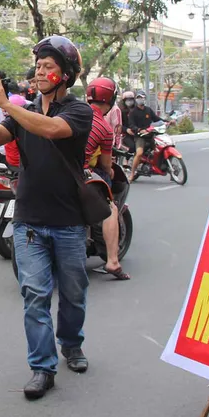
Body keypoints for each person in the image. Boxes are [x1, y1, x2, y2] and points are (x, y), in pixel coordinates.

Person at [0, 35, 95, 400]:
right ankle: (42, 367)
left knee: (74, 293)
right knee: (35, 294)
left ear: (66, 74)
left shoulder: (78, 111)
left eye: (48, 67)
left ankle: (71, 344)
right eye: (39, 67)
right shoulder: (23, 111)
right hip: (28, 219)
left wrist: (6, 104)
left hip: (69, 221)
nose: (40, 72)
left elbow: (49, 130)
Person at [85, 78, 130, 281]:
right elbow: (105, 164)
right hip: (81, 173)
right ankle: (112, 261)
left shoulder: (70, 113)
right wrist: (110, 170)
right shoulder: (104, 127)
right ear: (110, 99)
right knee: (110, 207)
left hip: (51, 170)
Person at [127, 89, 164, 182]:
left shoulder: (148, 110)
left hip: (150, 134)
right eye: (139, 98)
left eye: (142, 98)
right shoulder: (133, 112)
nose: (141, 99)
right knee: (139, 153)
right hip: (140, 136)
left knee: (161, 149)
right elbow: (131, 125)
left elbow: (157, 119)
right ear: (136, 99)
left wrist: (167, 122)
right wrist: (139, 130)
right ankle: (132, 174)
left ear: (145, 99)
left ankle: (167, 170)